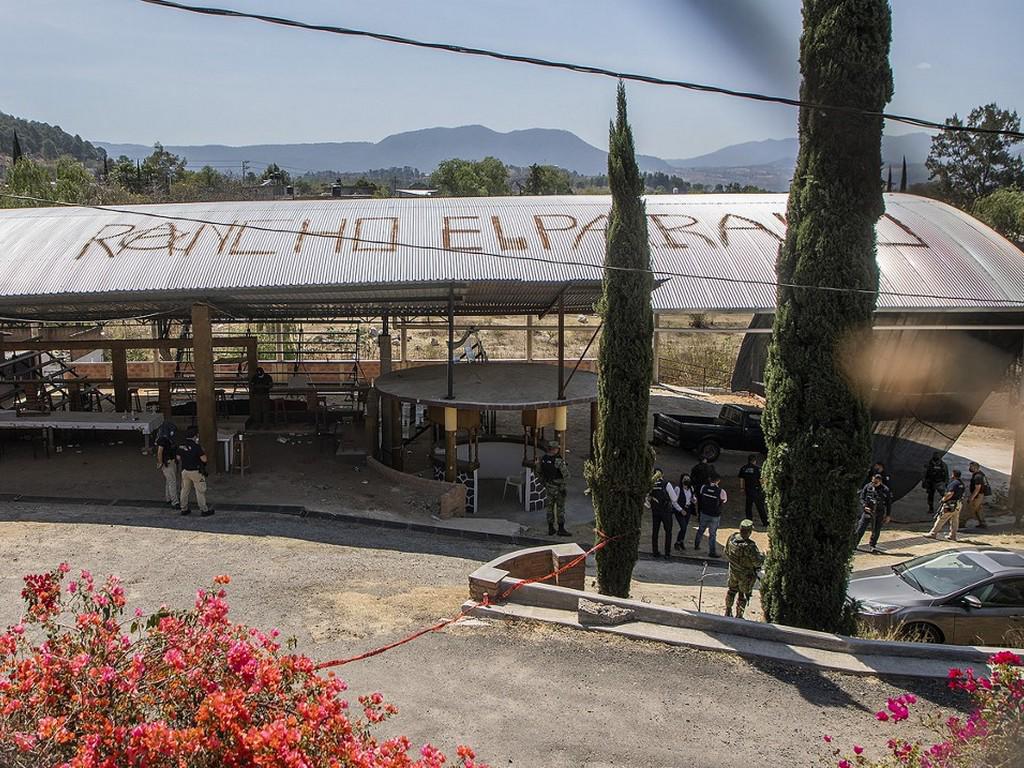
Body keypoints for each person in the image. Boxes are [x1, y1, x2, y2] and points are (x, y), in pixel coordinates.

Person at [725, 519, 765, 619]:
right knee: (742, 595)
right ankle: (739, 615)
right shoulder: (749, 546)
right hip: (745, 575)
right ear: (750, 532)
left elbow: (726, 552)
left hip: (733, 571)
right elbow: (757, 562)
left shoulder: (732, 538)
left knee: (731, 591)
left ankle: (728, 610)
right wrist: (763, 557)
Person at [176, 426, 213, 517]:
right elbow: (204, 459)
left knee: (184, 490)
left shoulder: (182, 445)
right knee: (200, 490)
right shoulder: (196, 447)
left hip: (185, 471)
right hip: (196, 471)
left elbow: (178, 457)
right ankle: (204, 509)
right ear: (195, 436)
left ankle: (184, 508)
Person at [539, 440, 570, 537]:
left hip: (548, 487)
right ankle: (561, 529)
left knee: (549, 508)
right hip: (558, 487)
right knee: (560, 508)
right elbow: (566, 475)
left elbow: (539, 472)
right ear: (555, 449)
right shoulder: (558, 461)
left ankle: (550, 528)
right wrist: (563, 486)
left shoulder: (543, 459)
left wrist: (544, 483)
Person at [649, 468, 682, 558]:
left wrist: (650, 505)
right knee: (668, 532)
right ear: (662, 475)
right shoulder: (666, 484)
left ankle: (655, 552)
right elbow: (674, 498)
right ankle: (667, 553)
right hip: (665, 511)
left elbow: (646, 498)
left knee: (655, 531)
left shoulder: (651, 485)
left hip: (655, 511)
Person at [854, 474, 892, 552]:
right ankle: (854, 544)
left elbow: (888, 503)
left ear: (880, 482)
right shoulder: (868, 487)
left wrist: (888, 515)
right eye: (873, 481)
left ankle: (872, 545)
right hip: (867, 511)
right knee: (861, 528)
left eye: (876, 482)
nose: (873, 484)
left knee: (876, 530)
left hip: (879, 512)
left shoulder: (885, 490)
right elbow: (861, 497)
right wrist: (864, 506)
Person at [694, 474, 727, 558]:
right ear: (718, 481)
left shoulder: (703, 487)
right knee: (712, 534)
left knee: (701, 529)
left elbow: (701, 496)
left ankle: (696, 545)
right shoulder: (721, 491)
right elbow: (724, 501)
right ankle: (712, 552)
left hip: (704, 512)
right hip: (715, 515)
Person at [927, 469, 965, 541]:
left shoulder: (954, 483)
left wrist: (943, 499)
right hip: (958, 504)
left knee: (942, 518)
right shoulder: (961, 484)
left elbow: (950, 493)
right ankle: (953, 536)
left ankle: (933, 533)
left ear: (953, 475)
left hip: (951, 504)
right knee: (955, 520)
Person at [737, 454, 768, 527]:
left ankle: (749, 523)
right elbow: (761, 480)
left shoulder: (743, 468)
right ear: (754, 461)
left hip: (748, 490)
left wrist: (742, 488)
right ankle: (765, 523)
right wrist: (765, 487)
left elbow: (741, 479)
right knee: (760, 507)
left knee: (748, 507)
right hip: (757, 490)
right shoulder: (758, 469)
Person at [154, 419, 179, 509]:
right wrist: (160, 462)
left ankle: (168, 498)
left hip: (168, 461)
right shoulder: (163, 440)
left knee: (169, 481)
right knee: (172, 482)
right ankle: (175, 502)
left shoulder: (162, 438)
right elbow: (159, 452)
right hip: (168, 462)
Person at [962, 461, 990, 529]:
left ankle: (961, 523)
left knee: (970, 509)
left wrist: (971, 497)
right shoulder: (981, 474)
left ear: (975, 468)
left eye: (971, 467)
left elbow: (977, 488)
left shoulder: (978, 476)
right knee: (978, 509)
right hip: (981, 495)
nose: (970, 468)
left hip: (978, 495)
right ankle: (982, 523)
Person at [673, 474, 697, 552]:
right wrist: (680, 510)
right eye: (685, 479)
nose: (686, 480)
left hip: (688, 509)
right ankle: (677, 542)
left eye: (688, 478)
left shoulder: (691, 488)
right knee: (683, 527)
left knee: (685, 527)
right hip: (680, 510)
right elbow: (674, 501)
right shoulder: (678, 489)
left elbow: (693, 498)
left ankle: (681, 541)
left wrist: (694, 500)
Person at [922, 452, 950, 516]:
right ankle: (931, 508)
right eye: (935, 455)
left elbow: (946, 474)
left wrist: (946, 483)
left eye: (937, 456)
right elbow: (924, 473)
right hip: (930, 482)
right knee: (930, 496)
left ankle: (946, 507)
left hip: (939, 482)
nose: (936, 457)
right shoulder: (929, 464)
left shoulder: (943, 465)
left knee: (944, 495)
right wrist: (924, 482)